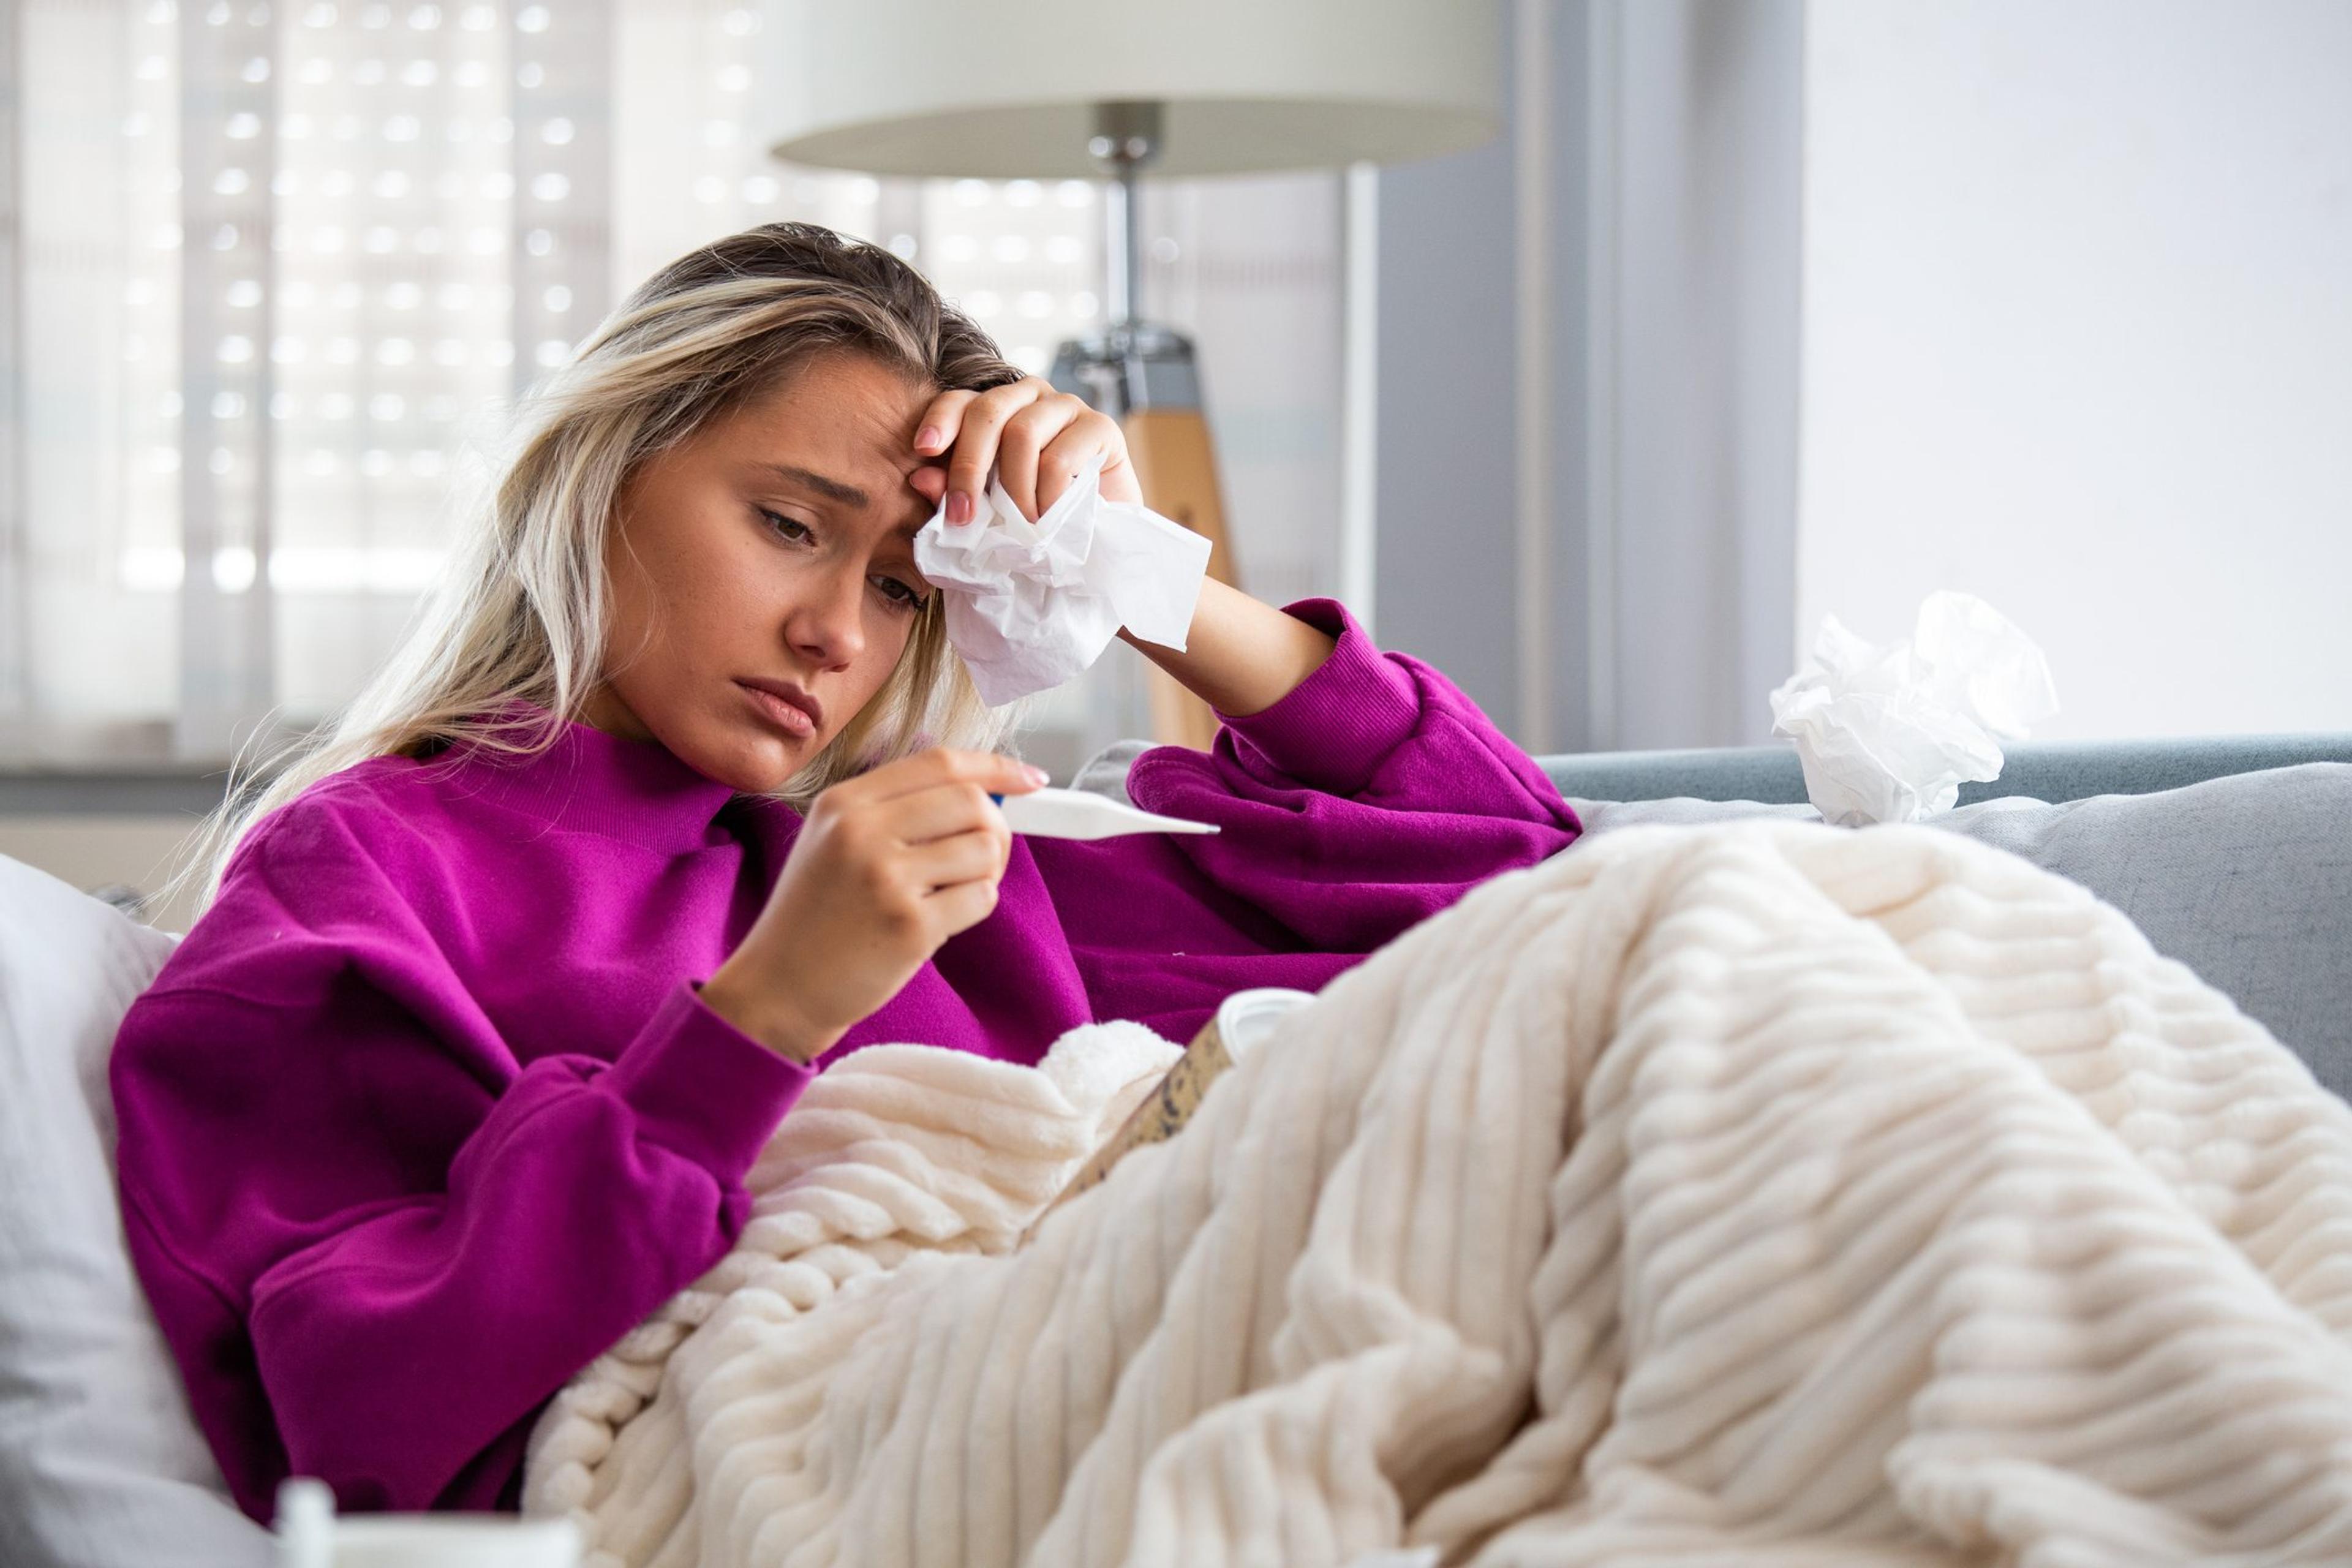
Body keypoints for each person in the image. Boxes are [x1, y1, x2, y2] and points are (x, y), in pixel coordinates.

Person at [108, 222, 1584, 1524]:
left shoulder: (922, 858)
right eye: (788, 526)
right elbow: (352, 1418)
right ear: (600, 469)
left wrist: (1149, 580)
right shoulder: (372, 870)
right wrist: (762, 1018)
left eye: (896, 584)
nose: (836, 632)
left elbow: (1514, 894)